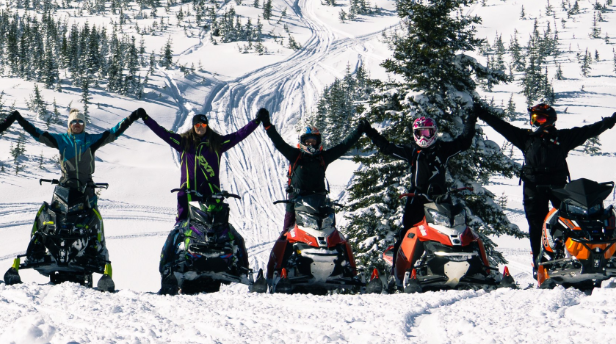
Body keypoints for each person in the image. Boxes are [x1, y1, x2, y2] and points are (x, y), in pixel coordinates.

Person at [475, 102, 616, 266]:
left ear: (550, 120)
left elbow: (589, 131)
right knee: (536, 227)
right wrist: (482, 114)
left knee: (567, 221)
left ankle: (571, 257)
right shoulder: (526, 138)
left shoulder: (563, 138)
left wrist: (610, 122)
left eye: (539, 118)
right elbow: (503, 127)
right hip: (533, 189)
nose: (535, 122)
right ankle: (539, 264)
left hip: (558, 189)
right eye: (534, 118)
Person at [10, 107, 142, 280]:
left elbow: (113, 133)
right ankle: (38, 249)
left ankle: (97, 254)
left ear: (84, 125)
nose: (77, 124)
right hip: (65, 187)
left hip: (86, 189)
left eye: (80, 122)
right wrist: (20, 120)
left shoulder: (91, 140)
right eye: (74, 122)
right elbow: (39, 134)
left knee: (94, 221)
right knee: (50, 218)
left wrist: (131, 117)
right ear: (69, 124)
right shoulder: (62, 140)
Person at [140, 107, 267, 277]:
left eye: (203, 124)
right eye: (197, 124)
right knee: (178, 231)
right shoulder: (183, 142)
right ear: (193, 126)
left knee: (229, 233)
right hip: (188, 196)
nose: (200, 127)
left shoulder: (217, 144)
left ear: (207, 125)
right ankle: (166, 269)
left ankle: (243, 270)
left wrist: (256, 122)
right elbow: (162, 133)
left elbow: (238, 135)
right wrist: (146, 118)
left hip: (212, 197)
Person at [363, 111, 475, 271]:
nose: (423, 137)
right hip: (417, 198)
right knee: (408, 230)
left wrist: (471, 119)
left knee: (455, 228)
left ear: (434, 132)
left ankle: (464, 263)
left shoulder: (443, 149)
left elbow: (464, 142)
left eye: (426, 132)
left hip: (440, 199)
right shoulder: (411, 150)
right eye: (419, 132)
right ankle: (399, 268)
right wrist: (369, 131)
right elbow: (387, 147)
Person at [264, 119, 367, 229]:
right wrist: (268, 127)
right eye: (307, 141)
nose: (310, 144)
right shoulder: (295, 155)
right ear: (302, 142)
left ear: (318, 142)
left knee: (330, 231)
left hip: (319, 201)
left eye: (313, 141)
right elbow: (279, 143)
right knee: (286, 233)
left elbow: (343, 146)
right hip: (296, 200)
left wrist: (359, 131)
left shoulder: (323, 157)